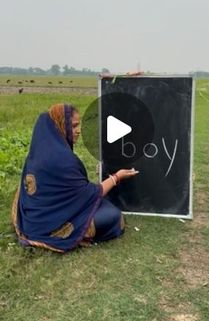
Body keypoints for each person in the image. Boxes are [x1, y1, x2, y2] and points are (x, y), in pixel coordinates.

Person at [12, 103, 138, 253]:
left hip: (33, 218)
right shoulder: (63, 159)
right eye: (73, 126)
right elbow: (88, 195)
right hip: (54, 223)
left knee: (103, 205)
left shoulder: (38, 152)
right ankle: (69, 235)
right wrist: (116, 177)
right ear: (60, 126)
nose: (78, 131)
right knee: (113, 216)